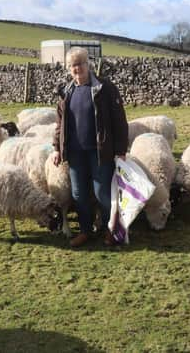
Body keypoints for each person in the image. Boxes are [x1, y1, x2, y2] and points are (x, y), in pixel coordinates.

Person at [52, 47, 128, 247]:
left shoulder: (105, 88)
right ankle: (85, 230)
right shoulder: (66, 92)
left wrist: (121, 150)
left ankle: (109, 230)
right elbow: (60, 124)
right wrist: (56, 149)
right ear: (69, 68)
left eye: (81, 64)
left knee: (102, 192)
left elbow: (119, 121)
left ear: (88, 64)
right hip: (75, 152)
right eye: (73, 65)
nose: (77, 68)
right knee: (79, 194)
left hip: (99, 151)